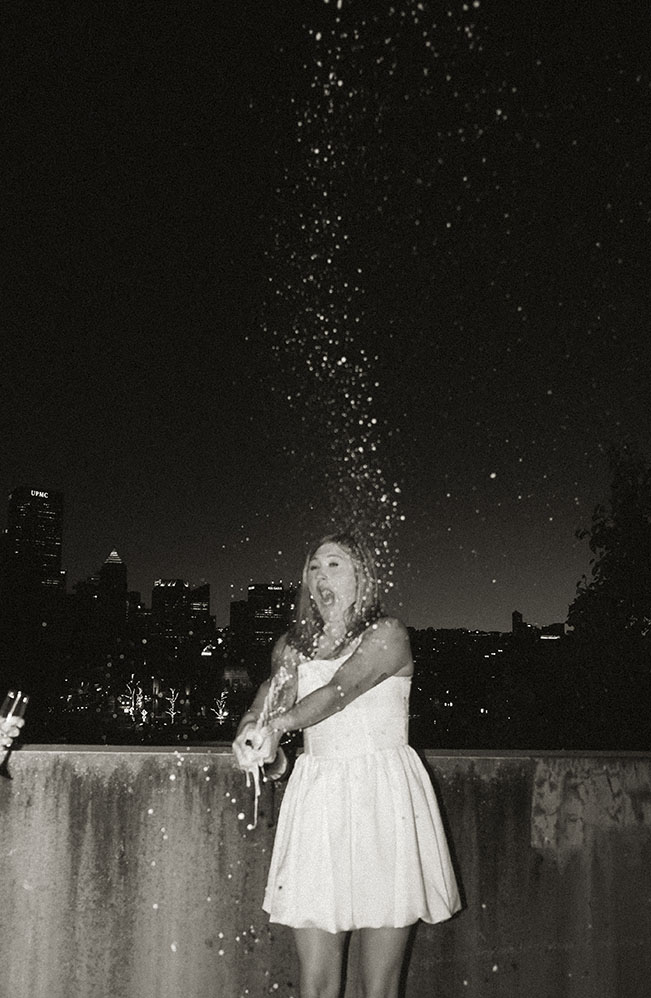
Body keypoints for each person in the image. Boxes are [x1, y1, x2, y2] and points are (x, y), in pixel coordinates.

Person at [232, 532, 461, 998]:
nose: (320, 577)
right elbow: (267, 702)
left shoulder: (387, 635)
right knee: (316, 982)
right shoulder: (291, 647)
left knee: (379, 987)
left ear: (362, 576)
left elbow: (339, 692)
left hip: (383, 800)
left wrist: (278, 724)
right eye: (313, 567)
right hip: (319, 799)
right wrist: (253, 735)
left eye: (333, 565)